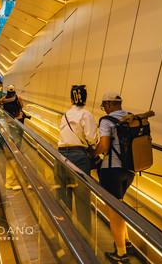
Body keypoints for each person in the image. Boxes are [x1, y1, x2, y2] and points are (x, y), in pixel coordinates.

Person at [93, 91, 135, 264]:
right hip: (130, 171)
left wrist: (92, 153)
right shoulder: (130, 118)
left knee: (114, 212)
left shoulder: (106, 121)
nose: (104, 109)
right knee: (120, 205)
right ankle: (126, 241)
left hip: (112, 170)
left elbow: (104, 145)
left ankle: (121, 254)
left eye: (104, 106)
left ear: (108, 104)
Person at [56, 85, 98, 237]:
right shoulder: (86, 114)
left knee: (63, 198)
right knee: (82, 201)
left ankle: (65, 235)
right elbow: (92, 138)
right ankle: (84, 238)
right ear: (85, 99)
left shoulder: (66, 115)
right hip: (78, 157)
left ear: (71, 99)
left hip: (60, 156)